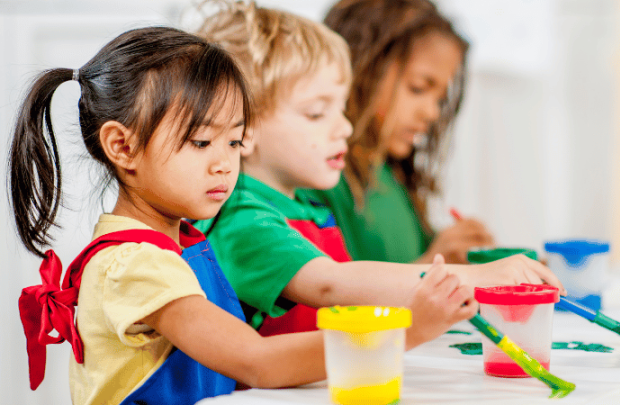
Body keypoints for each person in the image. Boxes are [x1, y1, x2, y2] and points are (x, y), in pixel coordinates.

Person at [11, 26, 478, 405]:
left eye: (234, 142)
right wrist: (407, 329)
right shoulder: (132, 265)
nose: (224, 163)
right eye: (200, 142)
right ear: (123, 145)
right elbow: (258, 361)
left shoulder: (183, 240)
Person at [195, 1, 564, 337]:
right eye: (316, 113)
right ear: (244, 128)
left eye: (341, 109)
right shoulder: (241, 216)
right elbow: (333, 284)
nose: (346, 127)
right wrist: (474, 277)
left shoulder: (306, 211)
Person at [317, 0, 495, 264]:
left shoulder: (392, 176)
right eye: (418, 88)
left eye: (439, 99)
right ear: (360, 70)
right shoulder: (322, 176)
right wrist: (434, 261)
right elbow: (329, 296)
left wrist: (459, 253)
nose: (432, 113)